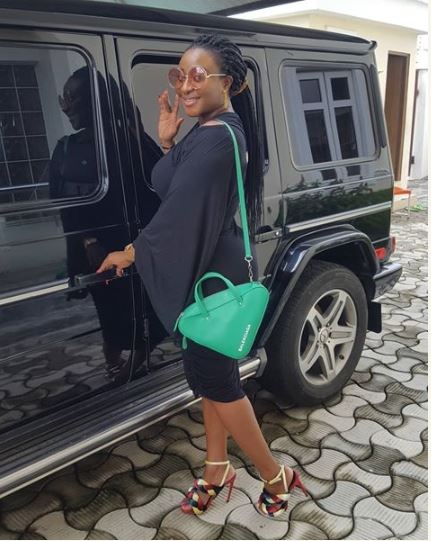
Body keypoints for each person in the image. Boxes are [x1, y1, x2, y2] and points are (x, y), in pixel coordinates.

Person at [96, 33, 309, 518]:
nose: (185, 86)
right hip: (206, 267)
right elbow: (172, 184)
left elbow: (179, 212)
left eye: (197, 76)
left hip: (212, 275)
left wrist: (130, 252)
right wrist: (167, 142)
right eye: (179, 76)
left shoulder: (218, 137)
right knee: (212, 378)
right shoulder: (209, 128)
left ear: (226, 82)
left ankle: (275, 476)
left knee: (216, 380)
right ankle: (216, 468)